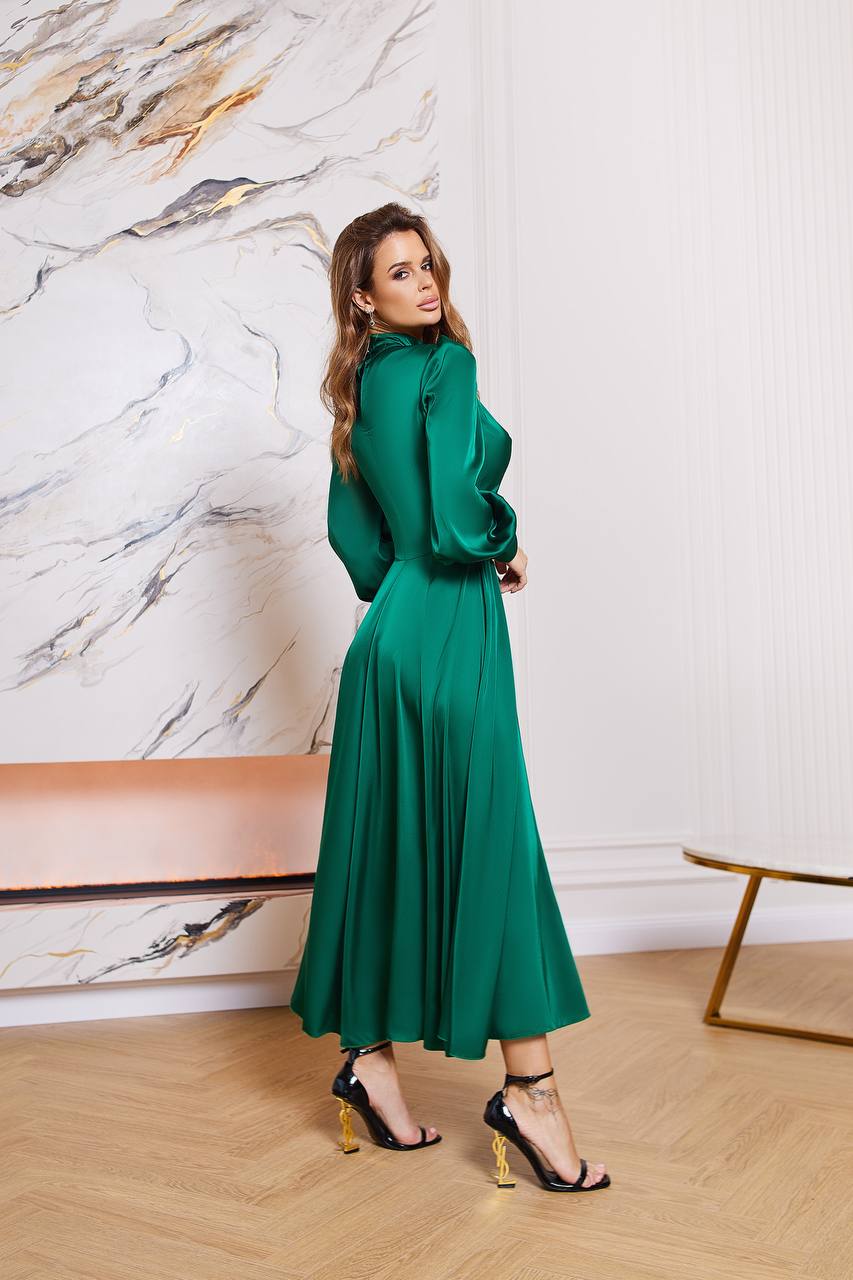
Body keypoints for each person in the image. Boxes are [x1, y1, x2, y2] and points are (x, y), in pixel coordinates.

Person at [290, 202, 610, 1193]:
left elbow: (356, 536)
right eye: (401, 272)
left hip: (388, 636)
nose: (427, 283)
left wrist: (409, 585)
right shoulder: (443, 368)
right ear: (362, 293)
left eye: (429, 265)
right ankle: (531, 1092)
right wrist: (498, 537)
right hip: (450, 628)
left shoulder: (359, 390)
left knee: (385, 847)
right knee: (493, 847)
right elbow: (454, 511)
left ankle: (370, 1062)